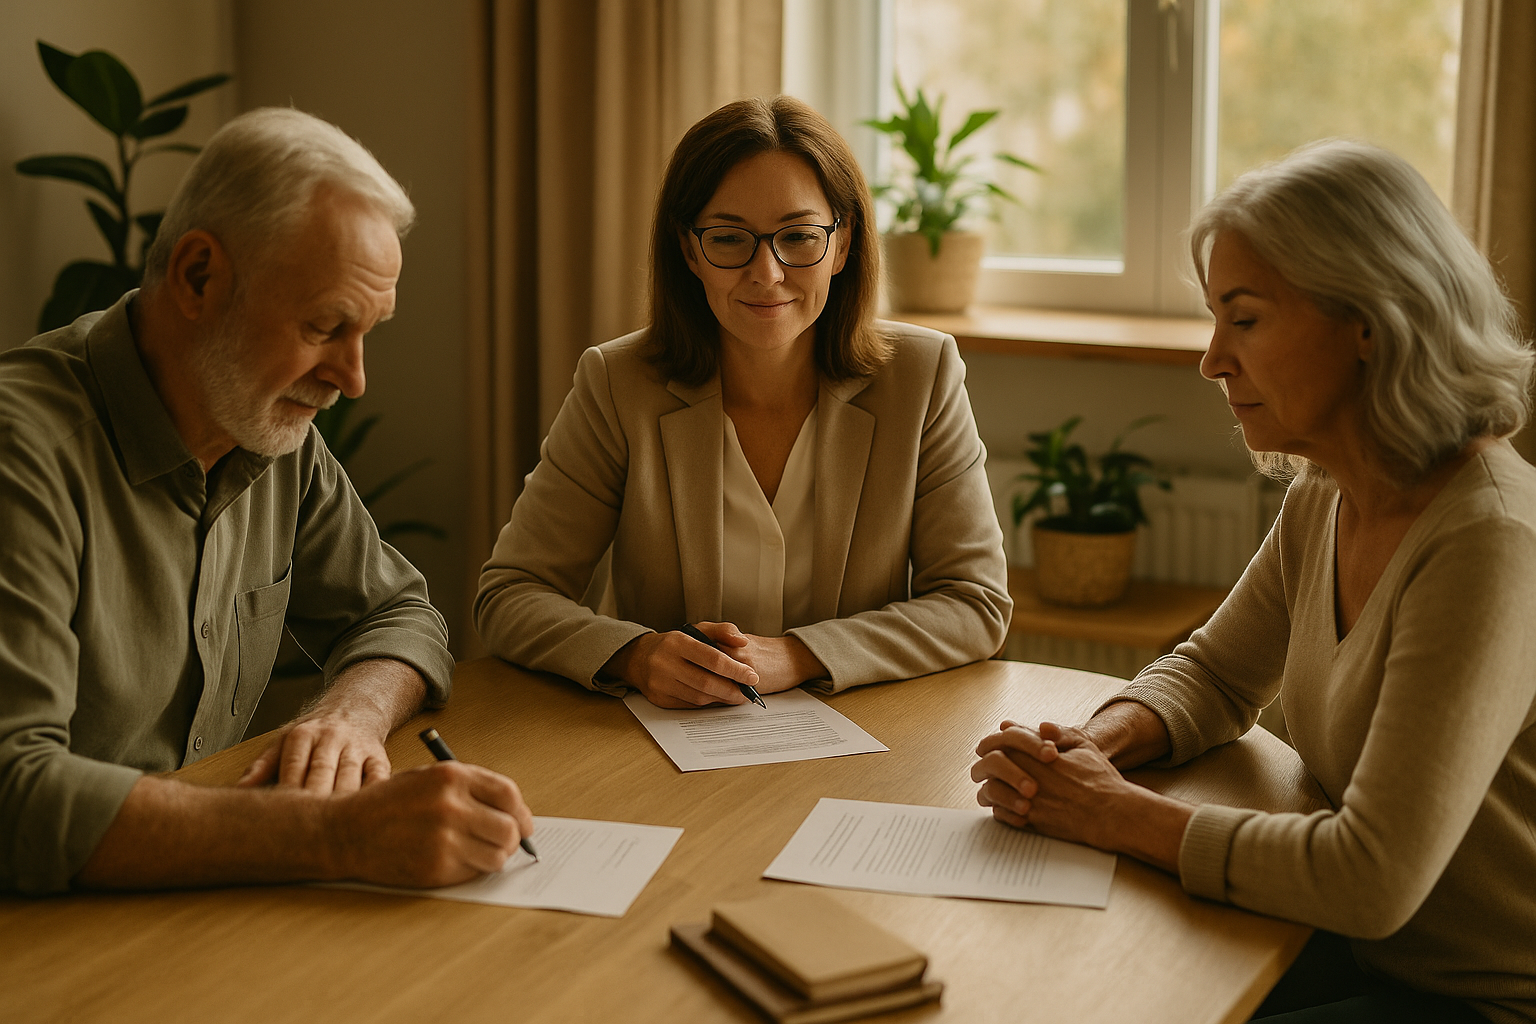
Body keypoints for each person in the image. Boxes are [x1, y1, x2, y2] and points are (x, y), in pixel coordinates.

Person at [970, 140, 1536, 1024]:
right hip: (1348, 945)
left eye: (1245, 319)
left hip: (1480, 996)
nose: (1212, 360)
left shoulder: (1490, 540)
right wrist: (1088, 749)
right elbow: (1217, 673)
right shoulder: (1330, 490)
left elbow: (1371, 878)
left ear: (1370, 321)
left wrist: (1113, 814)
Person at [0, 108, 533, 896]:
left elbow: (400, 614)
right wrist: (339, 834)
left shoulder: (267, 430)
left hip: (195, 898)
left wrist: (349, 713)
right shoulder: (23, 454)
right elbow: (13, 793)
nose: (353, 378)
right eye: (325, 325)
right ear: (199, 277)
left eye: (367, 331)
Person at [476, 96, 1011, 708]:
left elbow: (975, 604)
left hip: (865, 735)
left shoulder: (921, 375)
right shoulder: (617, 384)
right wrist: (635, 655)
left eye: (799, 237)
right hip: (664, 741)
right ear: (688, 250)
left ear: (842, 244)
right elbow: (510, 594)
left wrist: (798, 655)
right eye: (729, 239)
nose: (767, 272)